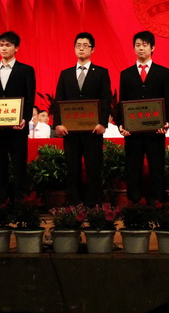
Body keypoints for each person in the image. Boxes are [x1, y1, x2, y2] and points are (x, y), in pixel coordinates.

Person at [54, 32, 112, 206]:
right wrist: (57, 124)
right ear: (74, 48)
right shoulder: (65, 74)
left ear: (92, 50)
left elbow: (105, 99)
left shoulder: (101, 73)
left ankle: (94, 206)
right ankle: (74, 207)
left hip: (93, 130)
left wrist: (103, 123)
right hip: (70, 131)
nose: (81, 49)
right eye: (78, 45)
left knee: (94, 169)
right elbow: (58, 100)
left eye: (85, 46)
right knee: (72, 169)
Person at [118, 30, 169, 204]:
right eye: (137, 45)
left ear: (152, 48)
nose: (141, 48)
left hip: (155, 130)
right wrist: (121, 124)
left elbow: (168, 100)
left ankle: (156, 203)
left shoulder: (163, 72)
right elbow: (122, 101)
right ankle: (134, 203)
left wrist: (166, 122)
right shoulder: (126, 74)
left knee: (157, 167)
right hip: (133, 132)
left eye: (144, 45)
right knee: (133, 168)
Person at [0, 31, 36, 205]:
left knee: (19, 165)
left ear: (16, 48)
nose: (4, 48)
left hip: (17, 128)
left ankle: (21, 203)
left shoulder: (26, 70)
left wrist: (25, 118)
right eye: (1, 45)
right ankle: (0, 202)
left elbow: (29, 98)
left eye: (8, 45)